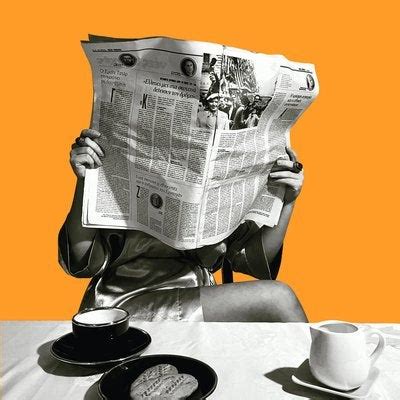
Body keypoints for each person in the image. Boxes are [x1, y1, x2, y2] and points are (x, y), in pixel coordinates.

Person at [59, 130, 307, 322]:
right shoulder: (120, 167)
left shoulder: (210, 172)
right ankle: (320, 370)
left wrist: (287, 201)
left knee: (278, 302)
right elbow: (79, 262)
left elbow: (253, 260)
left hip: (197, 295)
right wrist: (85, 181)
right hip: (121, 305)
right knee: (279, 298)